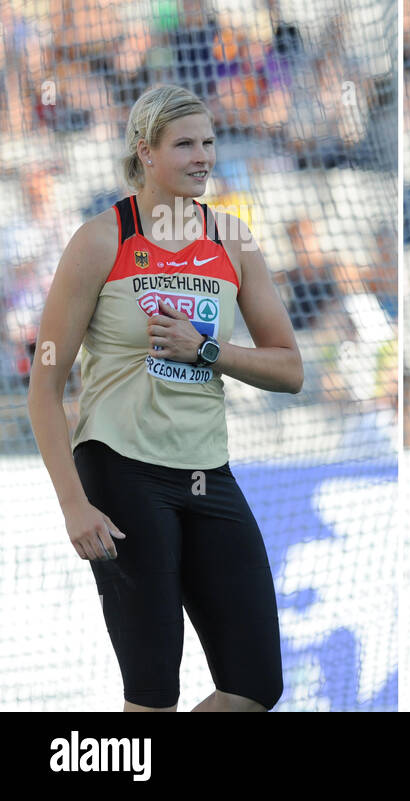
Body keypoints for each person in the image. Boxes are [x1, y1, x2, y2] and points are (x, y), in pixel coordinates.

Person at [27, 84, 303, 712]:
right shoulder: (100, 241)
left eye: (209, 141)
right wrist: (74, 505)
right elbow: (45, 387)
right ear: (145, 153)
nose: (203, 156)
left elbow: (290, 369)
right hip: (120, 470)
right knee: (153, 696)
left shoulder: (234, 240)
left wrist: (206, 349)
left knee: (256, 687)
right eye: (184, 144)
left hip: (208, 473)